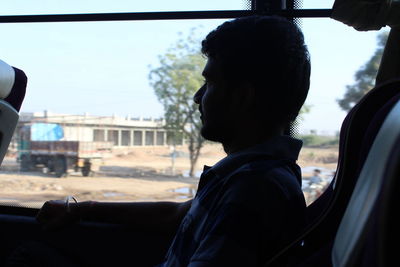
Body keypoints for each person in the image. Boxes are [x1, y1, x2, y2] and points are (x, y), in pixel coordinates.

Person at [36, 15, 310, 266]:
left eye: (210, 83)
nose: (197, 97)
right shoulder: (245, 176)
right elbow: (175, 215)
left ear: (242, 96)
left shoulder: (254, 189)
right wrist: (85, 209)